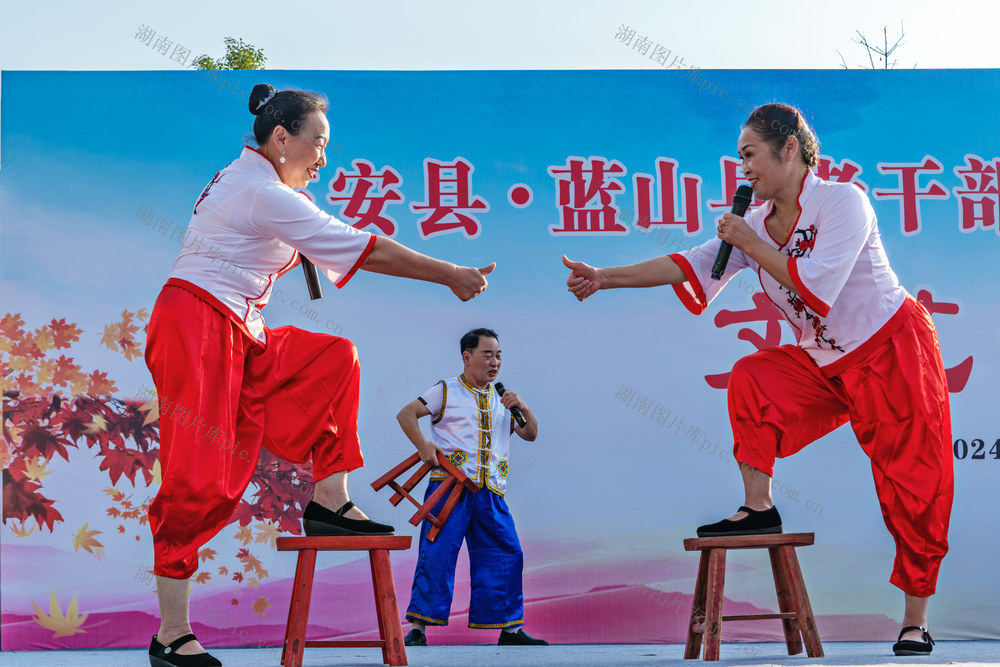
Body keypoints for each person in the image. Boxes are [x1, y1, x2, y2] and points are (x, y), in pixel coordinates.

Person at [562, 103, 953, 657]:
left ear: (789, 148)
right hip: (825, 362)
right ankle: (759, 507)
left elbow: (817, 289)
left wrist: (749, 244)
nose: (743, 168)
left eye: (750, 155)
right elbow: (689, 265)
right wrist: (605, 278)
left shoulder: (843, 202)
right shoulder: (760, 225)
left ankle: (915, 621)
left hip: (891, 351)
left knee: (914, 484)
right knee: (754, 377)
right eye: (739, 157)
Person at [144, 83, 495, 667]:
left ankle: (330, 500)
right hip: (196, 327)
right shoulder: (262, 191)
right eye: (318, 143)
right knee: (199, 482)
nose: (324, 158)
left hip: (240, 330)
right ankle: (171, 634)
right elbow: (367, 250)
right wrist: (451, 273)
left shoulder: (259, 182)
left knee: (333, 356)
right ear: (281, 138)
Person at [395, 328, 548, 647]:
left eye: (499, 355)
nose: (495, 362)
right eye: (488, 354)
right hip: (448, 488)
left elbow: (530, 434)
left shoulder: (504, 399)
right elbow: (407, 414)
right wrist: (424, 445)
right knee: (436, 553)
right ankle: (419, 628)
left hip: (490, 491)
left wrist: (522, 406)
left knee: (506, 552)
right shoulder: (446, 390)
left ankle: (509, 629)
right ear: (467, 357)